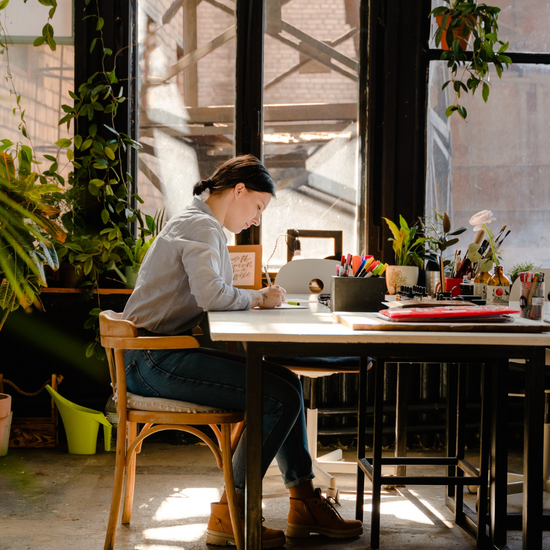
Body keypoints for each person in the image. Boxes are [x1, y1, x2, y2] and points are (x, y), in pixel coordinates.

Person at [122, 155, 363, 548]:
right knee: (281, 395)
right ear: (238, 191)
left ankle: (302, 502)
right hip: (153, 358)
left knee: (284, 382)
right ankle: (230, 511)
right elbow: (212, 295)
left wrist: (255, 299)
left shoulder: (194, 221)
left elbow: (207, 294)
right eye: (258, 207)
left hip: (153, 353)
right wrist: (260, 299)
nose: (256, 219)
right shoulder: (202, 226)